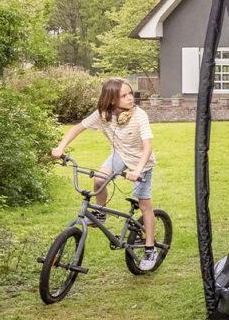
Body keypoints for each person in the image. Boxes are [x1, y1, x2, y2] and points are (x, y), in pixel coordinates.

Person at [50, 79, 160, 270]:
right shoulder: (102, 115)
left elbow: (147, 146)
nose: (130, 98)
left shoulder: (139, 115)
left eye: (130, 93)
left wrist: (137, 170)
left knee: (144, 205)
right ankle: (100, 213)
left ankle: (150, 249)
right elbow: (77, 128)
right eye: (124, 95)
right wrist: (60, 147)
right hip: (120, 155)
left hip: (141, 161)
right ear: (111, 100)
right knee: (99, 179)